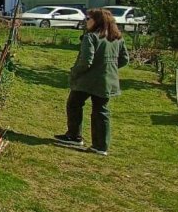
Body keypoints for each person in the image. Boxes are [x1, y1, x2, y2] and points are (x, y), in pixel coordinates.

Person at [54, 8, 130, 156]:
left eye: (88, 18)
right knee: (101, 111)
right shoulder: (117, 38)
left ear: (98, 21)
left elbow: (85, 61)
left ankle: (74, 135)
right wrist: (109, 68)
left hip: (87, 80)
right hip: (107, 80)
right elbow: (124, 59)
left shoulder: (91, 37)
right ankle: (101, 146)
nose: (86, 21)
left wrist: (74, 72)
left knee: (74, 103)